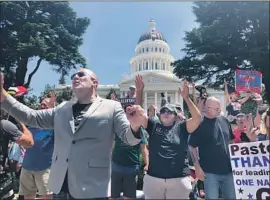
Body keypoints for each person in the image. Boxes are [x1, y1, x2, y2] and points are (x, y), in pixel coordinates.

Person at [0, 69, 144, 199]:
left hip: (93, 186)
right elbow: (31, 117)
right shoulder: (62, 108)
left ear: (95, 82)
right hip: (61, 185)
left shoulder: (112, 107)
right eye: (73, 75)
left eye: (81, 74)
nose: (75, 77)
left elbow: (129, 139)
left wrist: (135, 126)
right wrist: (2, 96)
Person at [127, 80, 202, 199]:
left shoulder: (182, 127)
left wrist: (186, 98)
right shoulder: (153, 125)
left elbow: (197, 118)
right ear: (159, 115)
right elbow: (138, 114)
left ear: (175, 115)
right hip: (154, 178)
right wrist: (140, 91)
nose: (165, 113)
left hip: (178, 179)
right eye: (163, 111)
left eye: (169, 111)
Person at [188, 96, 236, 200]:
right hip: (210, 173)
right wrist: (197, 166)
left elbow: (232, 141)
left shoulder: (224, 120)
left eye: (219, 108)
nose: (219, 110)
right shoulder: (199, 124)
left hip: (229, 171)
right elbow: (192, 146)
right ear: (208, 108)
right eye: (216, 108)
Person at [19, 93, 56, 200]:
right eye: (41, 104)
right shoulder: (32, 124)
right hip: (27, 166)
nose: (42, 106)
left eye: (45, 104)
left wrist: (53, 106)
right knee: (28, 196)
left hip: (44, 167)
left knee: (47, 196)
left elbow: (60, 119)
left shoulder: (53, 125)